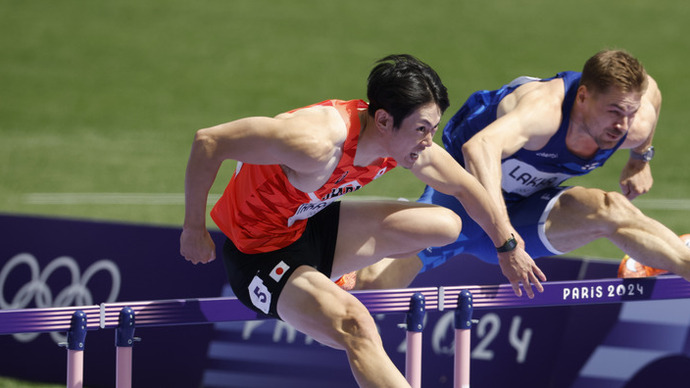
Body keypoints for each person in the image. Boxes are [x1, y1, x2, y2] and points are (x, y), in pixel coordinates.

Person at [179, 54, 544, 388]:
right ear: (384, 119)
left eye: (433, 129)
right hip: (259, 255)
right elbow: (209, 141)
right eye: (421, 129)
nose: (428, 142)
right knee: (357, 326)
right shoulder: (314, 142)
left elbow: (466, 187)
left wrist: (507, 246)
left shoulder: (405, 145)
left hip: (308, 225)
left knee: (446, 224)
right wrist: (194, 227)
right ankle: (331, 283)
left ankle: (349, 275)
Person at [355, 49, 690, 292]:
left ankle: (677, 261)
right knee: (372, 284)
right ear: (583, 97)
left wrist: (640, 159)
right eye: (614, 111)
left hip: (528, 204)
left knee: (609, 209)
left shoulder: (633, 121)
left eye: (630, 112)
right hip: (464, 197)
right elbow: (480, 149)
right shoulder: (543, 113)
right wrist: (507, 244)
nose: (622, 124)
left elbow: (653, 93)